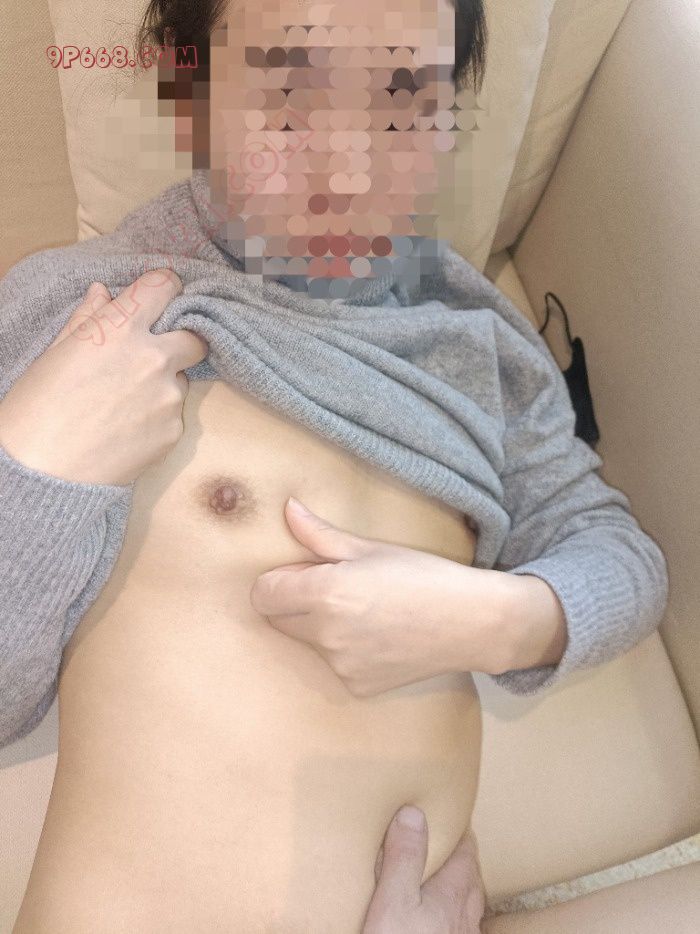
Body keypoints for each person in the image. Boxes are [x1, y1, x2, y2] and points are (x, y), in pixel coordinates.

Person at [0, 1, 668, 930]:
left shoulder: (478, 341)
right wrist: (32, 463)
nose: (349, 168)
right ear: (189, 87)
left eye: (404, 99)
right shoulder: (79, 307)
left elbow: (619, 555)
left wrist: (501, 622)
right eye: (291, 95)